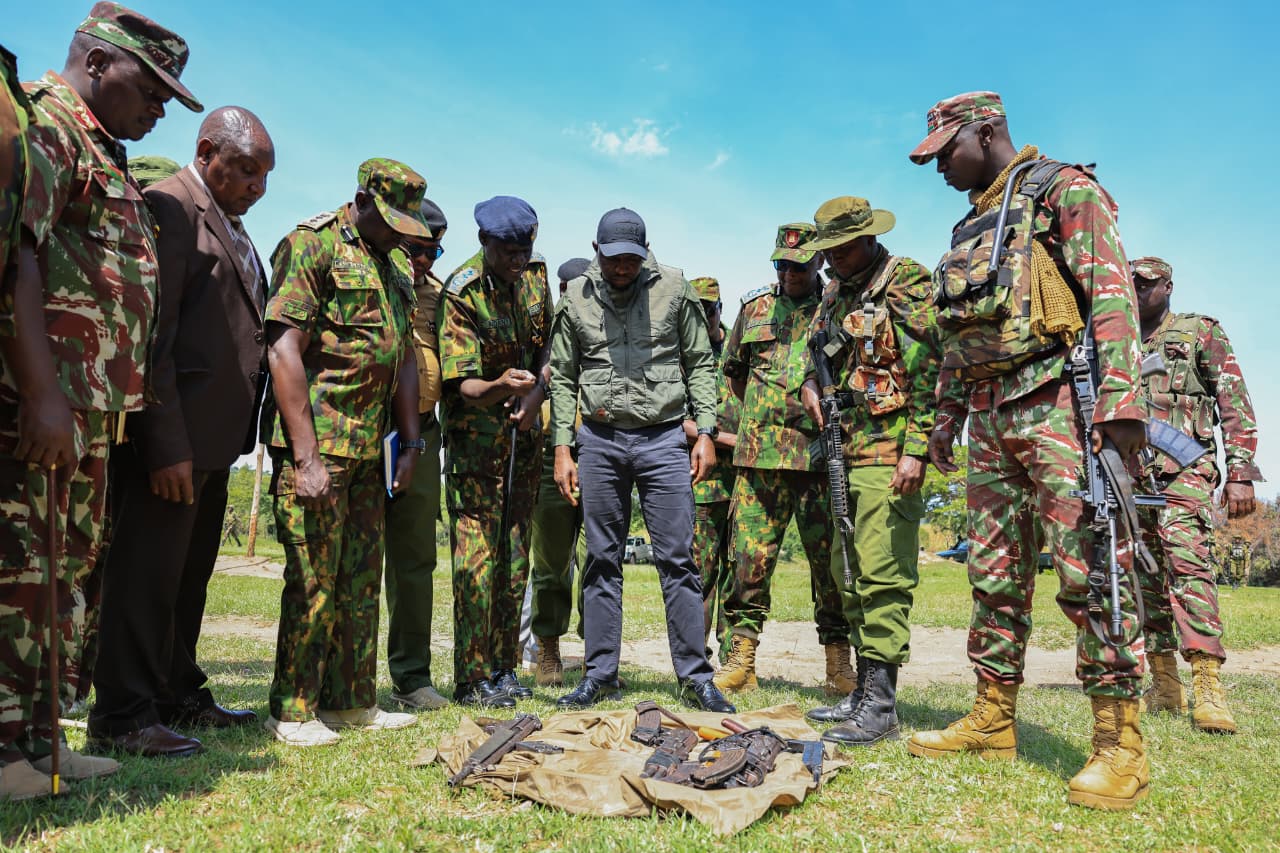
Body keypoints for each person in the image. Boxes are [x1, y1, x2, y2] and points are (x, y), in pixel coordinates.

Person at [904, 91, 1152, 810]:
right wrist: (947, 417)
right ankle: (993, 716)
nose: (940, 167)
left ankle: (1120, 743)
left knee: (1091, 568)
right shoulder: (970, 224)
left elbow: (1111, 296)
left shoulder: (1064, 191)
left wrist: (1121, 406)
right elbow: (960, 334)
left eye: (947, 151)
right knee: (993, 572)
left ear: (987, 131)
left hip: (1060, 404)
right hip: (988, 414)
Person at [1, 3, 200, 798]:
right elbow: (17, 253)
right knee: (20, 572)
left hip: (90, 414)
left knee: (62, 574)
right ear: (95, 63)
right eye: (151, 91)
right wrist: (42, 392)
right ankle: (4, 750)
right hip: (42, 406)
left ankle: (44, 739)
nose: (158, 110)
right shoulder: (50, 126)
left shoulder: (103, 150)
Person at [87, 107, 274, 756]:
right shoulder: (171, 208)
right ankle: (123, 714)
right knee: (145, 577)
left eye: (265, 176)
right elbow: (152, 336)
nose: (257, 186)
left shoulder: (229, 223)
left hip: (215, 440)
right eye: (246, 169)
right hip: (174, 441)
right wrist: (164, 443)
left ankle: (175, 693)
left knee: (187, 577)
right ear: (206, 152)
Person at [262, 158, 426, 746]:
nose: (400, 234)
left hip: (369, 449)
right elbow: (283, 349)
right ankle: (293, 710)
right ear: (363, 200)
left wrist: (410, 442)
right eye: (392, 220)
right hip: (320, 445)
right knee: (313, 578)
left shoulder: (396, 264)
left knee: (360, 580)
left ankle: (350, 701)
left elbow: (404, 357)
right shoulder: (312, 245)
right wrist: (305, 459)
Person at [548, 207, 734, 713]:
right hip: (600, 441)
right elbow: (562, 375)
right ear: (596, 251)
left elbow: (701, 361)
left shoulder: (675, 289)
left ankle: (696, 677)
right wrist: (563, 447)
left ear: (646, 252)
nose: (622, 268)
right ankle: (599, 675)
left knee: (678, 559)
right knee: (600, 560)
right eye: (613, 259)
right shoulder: (576, 298)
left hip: (663, 439)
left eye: (631, 259)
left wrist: (706, 433)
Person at [793, 202, 939, 745]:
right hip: (843, 449)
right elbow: (816, 356)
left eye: (845, 248)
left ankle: (881, 704)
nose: (834, 259)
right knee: (846, 569)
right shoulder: (834, 293)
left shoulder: (906, 281)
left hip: (890, 450)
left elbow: (932, 369)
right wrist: (810, 385)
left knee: (881, 572)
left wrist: (917, 449)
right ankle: (860, 691)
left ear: (871, 239)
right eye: (828, 251)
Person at [712, 224, 852, 697]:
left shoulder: (837, 305)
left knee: (830, 567)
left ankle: (838, 664)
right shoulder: (754, 309)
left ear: (819, 262)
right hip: (760, 459)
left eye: (798, 265)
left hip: (819, 460)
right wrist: (759, 417)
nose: (789, 273)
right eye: (782, 265)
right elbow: (734, 374)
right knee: (748, 562)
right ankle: (741, 660)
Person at [1130, 255, 1261, 734]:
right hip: (1129, 474)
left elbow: (1233, 400)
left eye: (1146, 283)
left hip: (1184, 468)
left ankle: (1208, 685)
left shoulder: (1199, 331)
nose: (1137, 290)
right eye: (1130, 282)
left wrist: (1240, 471)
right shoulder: (1115, 340)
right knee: (1142, 576)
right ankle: (1164, 683)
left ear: (1167, 286)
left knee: (1188, 567)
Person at [438, 196, 550, 708]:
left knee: (515, 558)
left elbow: (548, 348)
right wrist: (503, 385)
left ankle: (504, 668)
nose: (517, 259)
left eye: (524, 248)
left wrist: (535, 394)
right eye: (507, 250)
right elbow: (461, 385)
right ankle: (472, 677)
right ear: (484, 242)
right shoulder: (462, 292)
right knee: (477, 564)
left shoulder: (536, 277)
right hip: (476, 449)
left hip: (523, 443)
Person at [384, 198, 449, 711]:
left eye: (434, 251)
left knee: (415, 559)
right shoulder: (369, 277)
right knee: (348, 558)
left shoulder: (440, 296)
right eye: (415, 249)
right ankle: (339, 678)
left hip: (421, 435)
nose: (424, 260)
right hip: (362, 429)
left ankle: (411, 677)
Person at [520, 257, 591, 687]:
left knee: (599, 558)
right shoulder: (538, 335)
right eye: (568, 289)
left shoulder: (605, 328)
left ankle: (599, 654)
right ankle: (547, 650)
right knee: (550, 560)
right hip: (549, 454)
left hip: (599, 453)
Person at [684, 275, 739, 661]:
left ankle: (734, 656)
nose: (704, 318)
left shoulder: (741, 347)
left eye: (709, 310)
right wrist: (731, 441)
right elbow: (674, 419)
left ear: (720, 309)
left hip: (745, 480)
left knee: (738, 571)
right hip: (701, 481)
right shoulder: (679, 353)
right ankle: (694, 656)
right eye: (696, 311)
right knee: (699, 573)